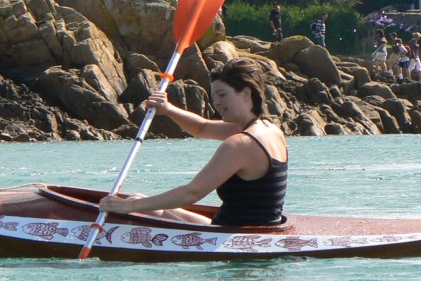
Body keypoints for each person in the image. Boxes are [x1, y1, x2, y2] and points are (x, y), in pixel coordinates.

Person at [98, 58, 288, 226]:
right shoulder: (269, 130)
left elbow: (192, 193)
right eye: (214, 97)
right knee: (139, 198)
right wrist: (168, 109)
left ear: (246, 94)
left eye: (222, 95)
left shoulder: (240, 144)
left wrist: (129, 206)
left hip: (232, 235)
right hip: (247, 226)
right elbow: (202, 128)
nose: (217, 103)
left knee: (138, 205)